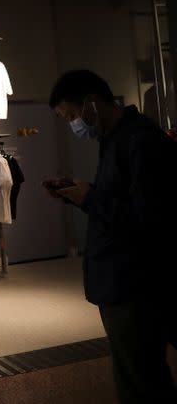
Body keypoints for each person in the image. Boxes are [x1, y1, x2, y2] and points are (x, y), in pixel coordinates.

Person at [47, 69, 177, 404]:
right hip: (119, 282)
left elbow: (147, 219)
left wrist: (88, 197)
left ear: (91, 103)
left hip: (135, 285)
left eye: (73, 115)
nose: (74, 124)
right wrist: (78, 195)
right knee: (134, 373)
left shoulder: (139, 141)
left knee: (141, 379)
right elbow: (117, 204)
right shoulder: (114, 141)